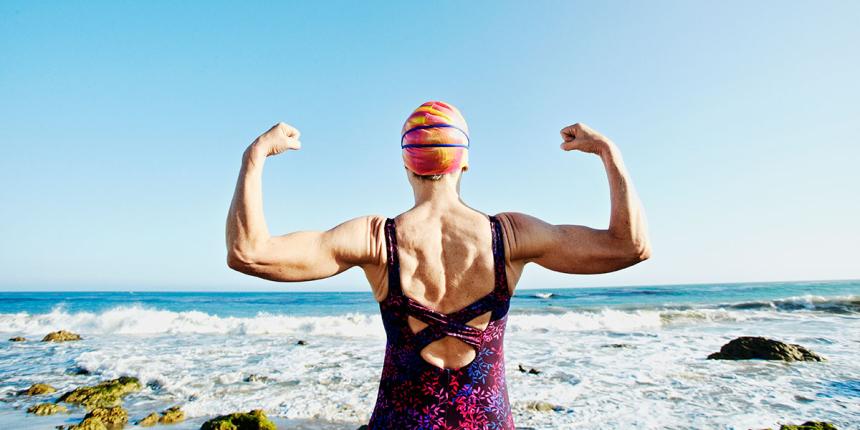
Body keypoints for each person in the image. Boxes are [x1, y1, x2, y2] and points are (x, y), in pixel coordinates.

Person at [225, 101, 651, 429]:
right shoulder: (512, 235)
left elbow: (249, 253)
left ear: (406, 162)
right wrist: (607, 152)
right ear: (464, 161)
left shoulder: (376, 239)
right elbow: (629, 246)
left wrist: (254, 157)